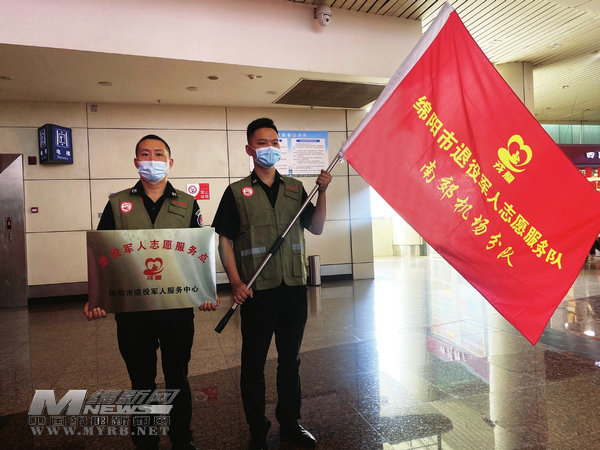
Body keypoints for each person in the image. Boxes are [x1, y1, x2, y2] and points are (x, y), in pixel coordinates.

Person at [84, 134, 218, 450]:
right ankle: (145, 442)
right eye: (145, 154)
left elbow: (200, 250)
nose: (152, 160)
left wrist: (206, 290)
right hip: (133, 311)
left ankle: (182, 439)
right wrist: (96, 298)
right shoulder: (117, 203)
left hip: (177, 307)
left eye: (159, 154)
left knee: (177, 379)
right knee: (141, 382)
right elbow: (102, 252)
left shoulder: (187, 203)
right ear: (136, 162)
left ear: (170, 162)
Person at [212, 118, 332, 449]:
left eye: (275, 142)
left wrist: (323, 192)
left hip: (293, 288)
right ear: (249, 149)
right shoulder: (236, 192)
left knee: (290, 360)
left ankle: (290, 423)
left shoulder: (295, 188)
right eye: (262, 143)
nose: (270, 148)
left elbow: (317, 227)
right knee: (253, 364)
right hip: (256, 291)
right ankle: (257, 428)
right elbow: (225, 240)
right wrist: (235, 282)